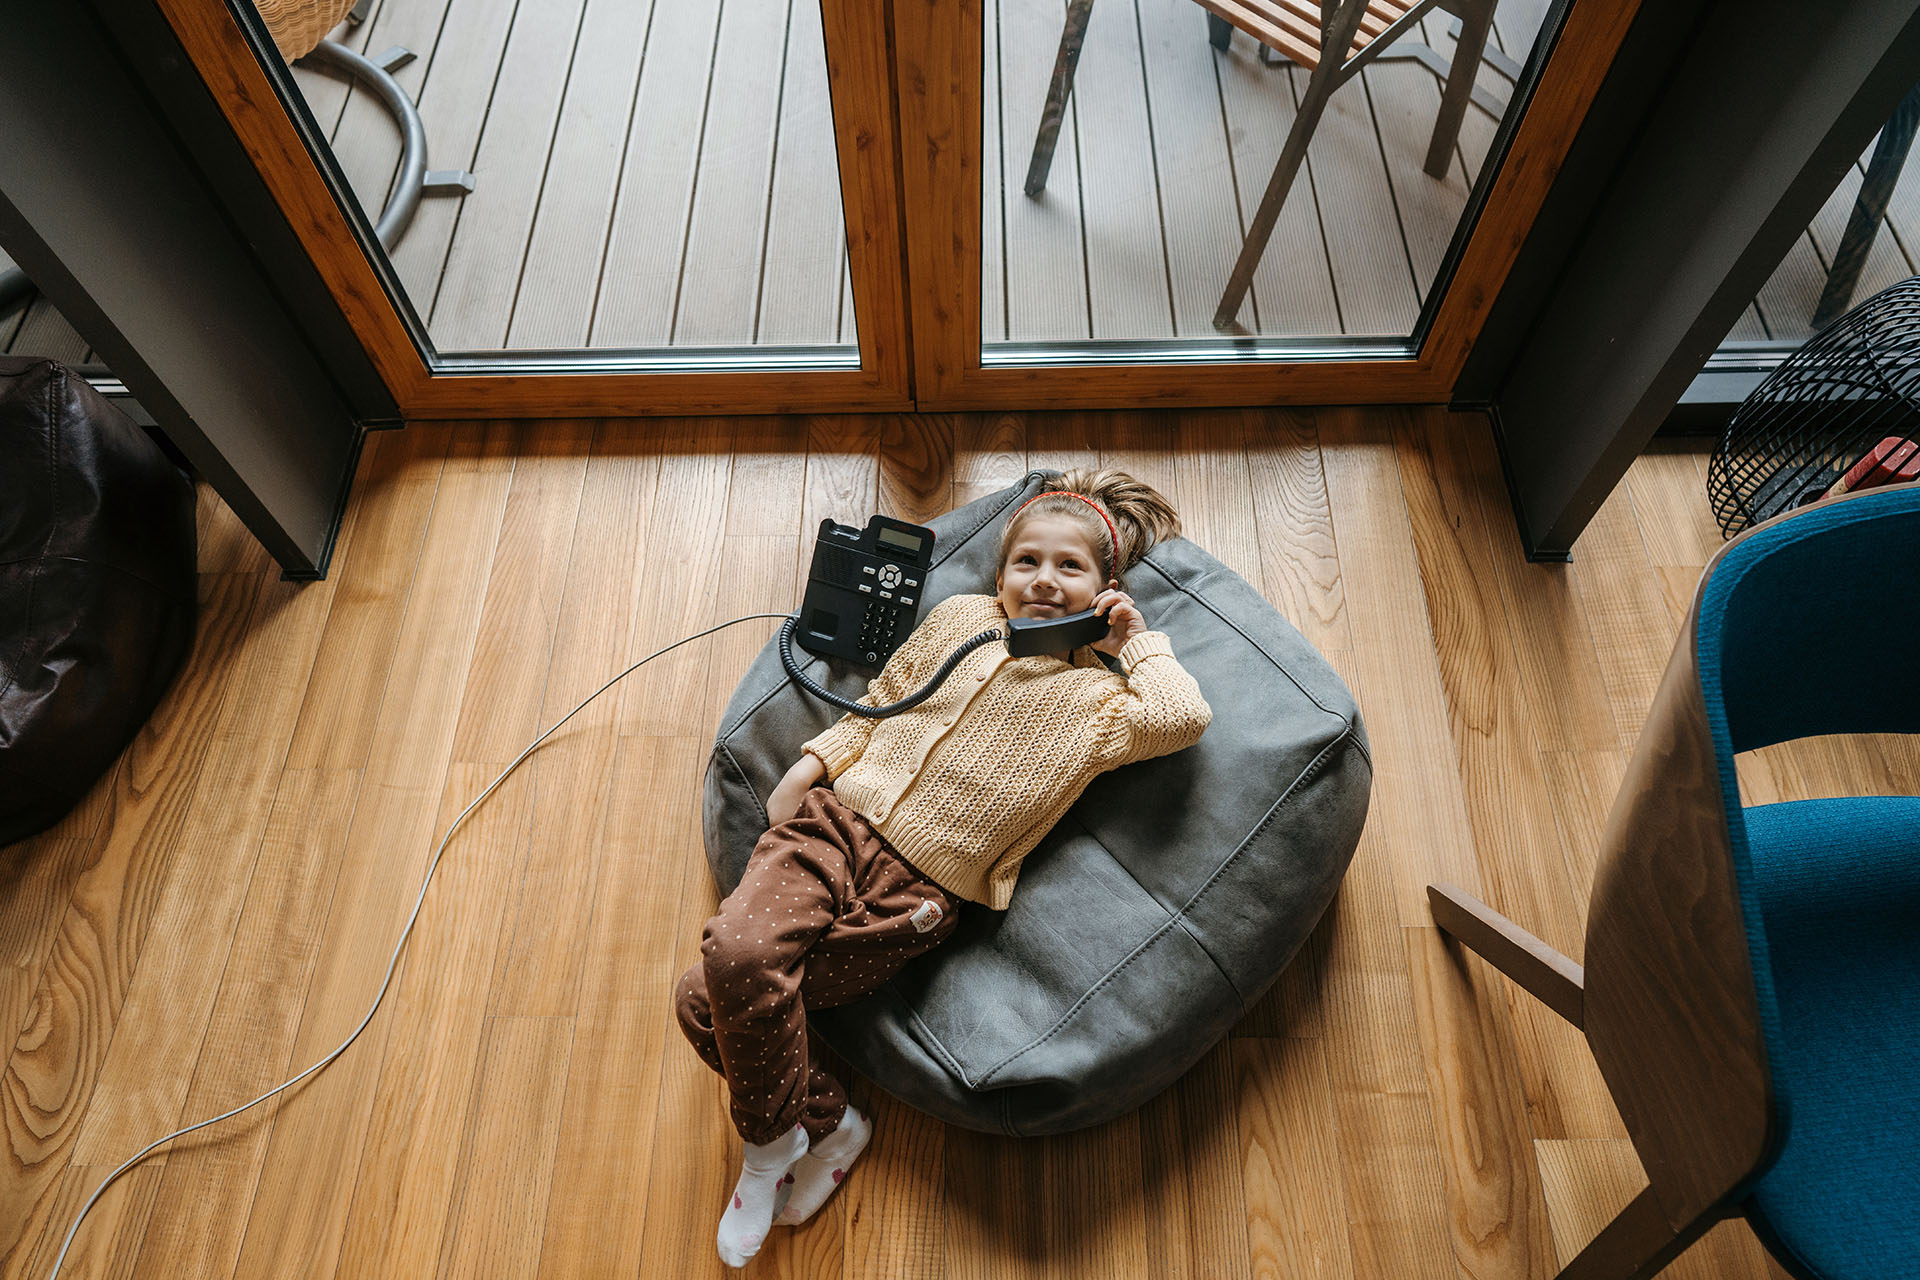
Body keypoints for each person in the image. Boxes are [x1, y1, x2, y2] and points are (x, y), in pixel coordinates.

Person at [671, 469, 1213, 1267]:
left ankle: (835, 1128)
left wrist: (1134, 644)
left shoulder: (1103, 705)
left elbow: (1182, 716)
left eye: (1071, 568)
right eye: (1027, 561)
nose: (1044, 580)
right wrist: (811, 766)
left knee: (702, 1001)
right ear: (1000, 576)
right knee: (738, 957)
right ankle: (777, 1145)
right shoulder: (963, 620)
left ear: (1106, 589)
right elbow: (887, 697)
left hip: (919, 893)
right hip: (832, 823)